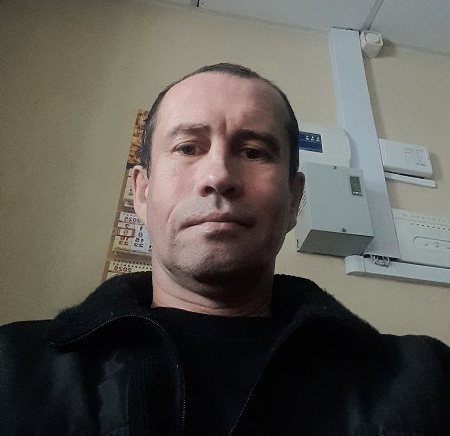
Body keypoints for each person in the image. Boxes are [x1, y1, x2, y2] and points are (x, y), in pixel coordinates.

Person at [1, 62, 449, 436]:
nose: (218, 176)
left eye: (253, 152)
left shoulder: (427, 380)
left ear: (294, 200)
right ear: (142, 192)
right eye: (187, 148)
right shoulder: (12, 366)